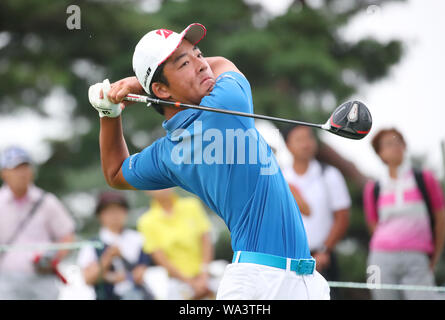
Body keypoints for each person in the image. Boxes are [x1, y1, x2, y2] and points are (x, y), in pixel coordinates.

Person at [88, 23, 330, 299]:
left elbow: (115, 172)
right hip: (261, 282)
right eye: (184, 64)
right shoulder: (226, 105)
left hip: (298, 280)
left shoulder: (167, 153)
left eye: (199, 55)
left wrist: (109, 113)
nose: (202, 65)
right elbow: (224, 63)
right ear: (162, 90)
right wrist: (136, 82)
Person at [363, 128, 445, 300]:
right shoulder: (374, 187)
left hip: (417, 257)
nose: (395, 146)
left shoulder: (425, 179)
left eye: (398, 142)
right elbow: (373, 224)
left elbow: (441, 219)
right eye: (388, 144)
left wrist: (434, 257)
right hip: (380, 260)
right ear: (380, 153)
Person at [282, 125, 351, 299]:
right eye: (299, 139)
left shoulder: (329, 174)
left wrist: (324, 250)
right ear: (288, 146)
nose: (306, 144)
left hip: (323, 257)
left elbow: (342, 217)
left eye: (309, 138)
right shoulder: (281, 177)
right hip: (289, 258)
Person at [0, 146, 75, 300]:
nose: (22, 173)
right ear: (4, 173)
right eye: (15, 168)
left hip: (43, 280)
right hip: (5, 280)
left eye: (25, 167)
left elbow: (68, 237)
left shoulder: (47, 201)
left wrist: (53, 258)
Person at [137, 188, 215, 299]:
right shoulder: (146, 221)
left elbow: (206, 241)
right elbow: (161, 259)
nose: (162, 186)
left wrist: (204, 275)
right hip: (177, 284)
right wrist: (191, 283)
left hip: (205, 278)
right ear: (147, 190)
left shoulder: (192, 205)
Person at [77, 191, 154, 300]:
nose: (115, 216)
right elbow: (88, 278)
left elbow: (140, 274)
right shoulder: (92, 244)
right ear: (100, 215)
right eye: (109, 211)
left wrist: (109, 274)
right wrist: (108, 257)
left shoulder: (138, 239)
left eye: (118, 210)